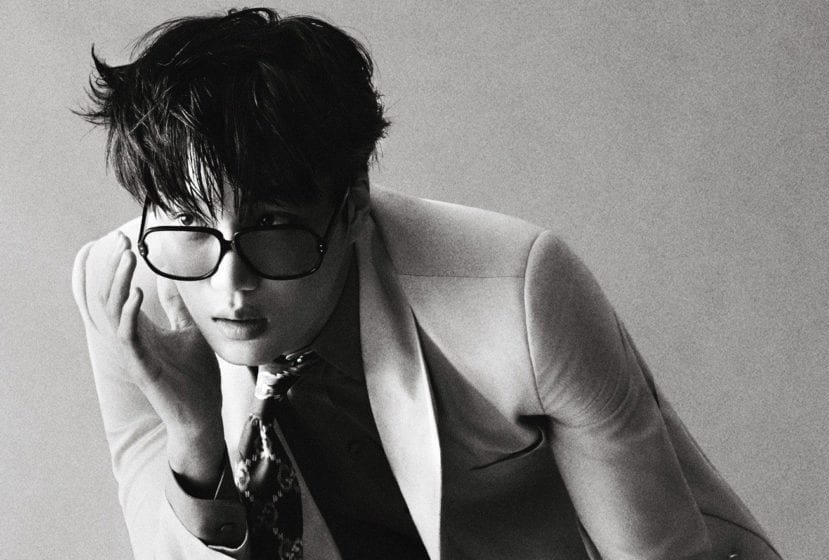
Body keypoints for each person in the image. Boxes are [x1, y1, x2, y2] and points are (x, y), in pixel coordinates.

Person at [72, 8, 781, 560]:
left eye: (273, 224)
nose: (232, 283)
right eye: (190, 221)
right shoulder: (129, 299)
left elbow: (657, 550)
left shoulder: (517, 294)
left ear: (352, 204)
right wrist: (194, 438)